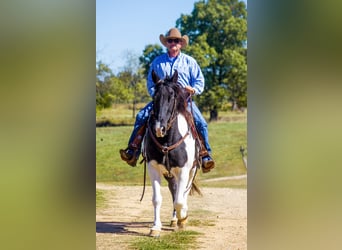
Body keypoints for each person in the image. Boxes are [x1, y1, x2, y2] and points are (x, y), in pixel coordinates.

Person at [119, 27, 215, 173]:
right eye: (170, 40)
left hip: (184, 100)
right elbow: (151, 84)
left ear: (181, 43)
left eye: (176, 41)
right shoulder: (157, 62)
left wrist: (193, 89)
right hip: (162, 102)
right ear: (166, 43)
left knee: (201, 122)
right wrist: (157, 95)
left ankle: (205, 155)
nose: (173, 43)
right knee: (141, 116)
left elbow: (199, 81)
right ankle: (133, 150)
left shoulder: (190, 62)